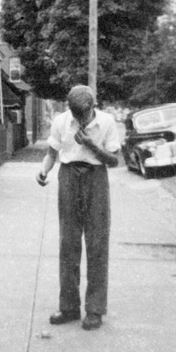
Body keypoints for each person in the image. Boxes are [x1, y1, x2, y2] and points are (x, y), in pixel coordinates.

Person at [36, 85, 120, 331]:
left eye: (83, 114)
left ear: (93, 106)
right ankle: (69, 307)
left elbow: (114, 161)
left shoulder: (106, 122)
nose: (79, 119)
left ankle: (94, 310)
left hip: (96, 177)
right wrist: (43, 170)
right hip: (69, 177)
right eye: (75, 114)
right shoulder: (62, 121)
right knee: (68, 243)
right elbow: (52, 153)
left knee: (97, 243)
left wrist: (92, 145)